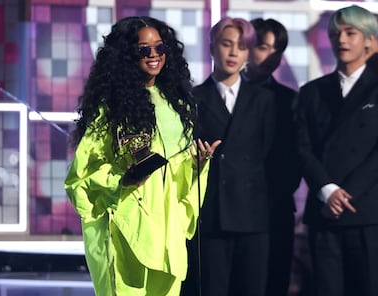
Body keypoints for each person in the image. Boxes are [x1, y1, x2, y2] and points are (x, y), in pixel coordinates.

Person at [64, 16, 220, 296]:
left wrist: (197, 166)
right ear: (126, 55)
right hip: (126, 227)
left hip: (167, 231)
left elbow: (178, 173)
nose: (154, 56)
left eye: (160, 48)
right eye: (143, 50)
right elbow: (80, 179)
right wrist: (121, 179)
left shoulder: (177, 106)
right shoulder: (109, 110)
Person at [295, 5, 378, 296]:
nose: (341, 40)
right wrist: (327, 190)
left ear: (370, 40)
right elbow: (301, 147)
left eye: (350, 33)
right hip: (324, 213)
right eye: (335, 33)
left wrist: (346, 194)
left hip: (367, 214)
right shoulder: (312, 91)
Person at [192, 16, 276, 296]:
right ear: (212, 47)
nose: (233, 52)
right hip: (210, 215)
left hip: (253, 216)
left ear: (248, 52)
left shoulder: (264, 100)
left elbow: (271, 157)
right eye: (226, 44)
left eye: (241, 46)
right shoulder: (192, 99)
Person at [243, 18, 301, 296]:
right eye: (263, 47)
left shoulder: (290, 100)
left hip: (274, 210)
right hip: (228, 211)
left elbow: (295, 157)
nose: (270, 57)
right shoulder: (216, 94)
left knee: (273, 283)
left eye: (278, 51)